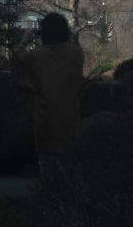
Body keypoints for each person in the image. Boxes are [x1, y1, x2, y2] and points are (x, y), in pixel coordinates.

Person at [16, 12, 84, 173]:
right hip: (71, 118)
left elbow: (16, 59)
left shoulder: (35, 57)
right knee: (70, 169)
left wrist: (26, 39)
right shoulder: (76, 54)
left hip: (45, 120)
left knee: (48, 169)